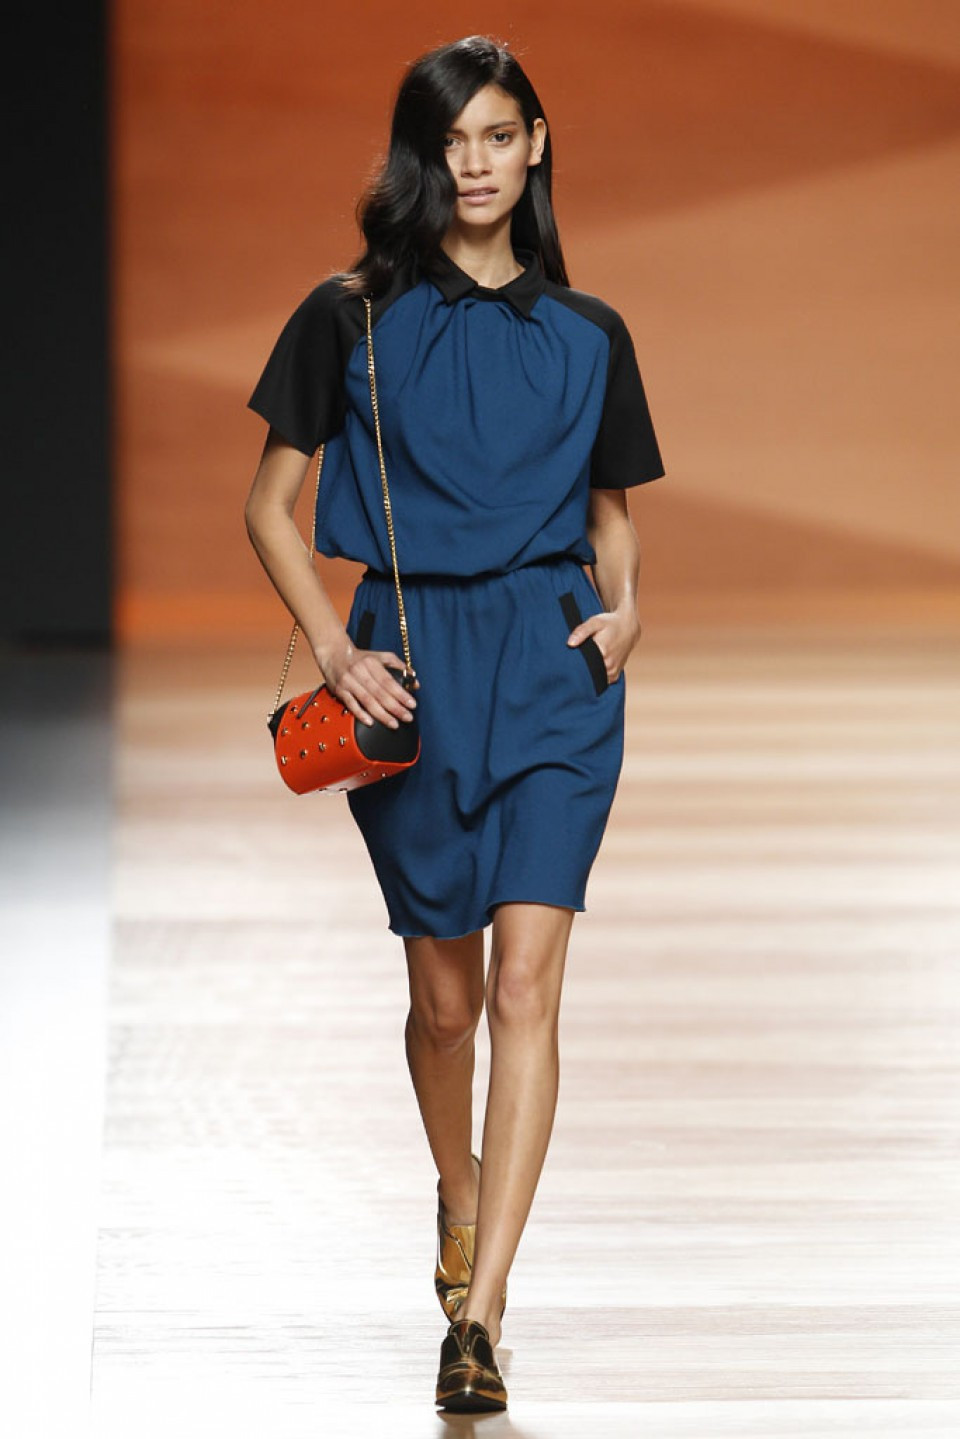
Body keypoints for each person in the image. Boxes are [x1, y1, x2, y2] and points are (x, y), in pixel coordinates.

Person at [243, 33, 665, 1413]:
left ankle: (478, 1317)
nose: (474, 164)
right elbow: (269, 507)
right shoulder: (349, 317)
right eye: (450, 141)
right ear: (420, 156)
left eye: (498, 135)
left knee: (529, 987)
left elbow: (613, 517)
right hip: (413, 675)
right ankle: (460, 1189)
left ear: (536, 146)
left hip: (553, 671)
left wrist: (627, 610)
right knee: (446, 1002)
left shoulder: (591, 334)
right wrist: (333, 648)